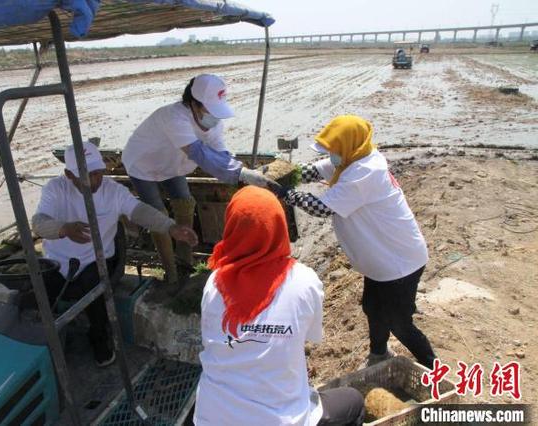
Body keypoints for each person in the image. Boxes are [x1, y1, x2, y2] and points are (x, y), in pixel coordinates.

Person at [194, 186, 365, 426]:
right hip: (280, 419)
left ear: (231, 228)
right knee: (353, 400)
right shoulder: (303, 280)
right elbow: (312, 336)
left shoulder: (214, 282)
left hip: (212, 417)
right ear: (278, 226)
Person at [280, 115, 436, 369]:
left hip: (400, 262)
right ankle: (378, 355)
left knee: (399, 322)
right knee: (372, 308)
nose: (331, 156)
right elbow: (315, 170)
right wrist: (288, 174)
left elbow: (321, 208)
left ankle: (434, 369)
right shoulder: (352, 158)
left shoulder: (365, 171)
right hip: (381, 261)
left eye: (333, 151)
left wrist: (286, 194)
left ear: (348, 146)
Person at [32, 141, 198, 367]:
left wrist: (171, 227)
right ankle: (47, 345)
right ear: (69, 175)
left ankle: (101, 341)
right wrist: (63, 229)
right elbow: (39, 223)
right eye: (87, 175)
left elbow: (139, 211)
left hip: (97, 260)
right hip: (56, 261)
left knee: (94, 293)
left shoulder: (113, 191)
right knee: (40, 294)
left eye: (98, 172)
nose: (95, 180)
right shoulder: (55, 189)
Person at [121, 74, 276, 291]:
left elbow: (220, 155)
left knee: (185, 204)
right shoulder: (173, 117)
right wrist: (240, 173)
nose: (214, 117)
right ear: (193, 103)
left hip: (172, 165)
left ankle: (184, 262)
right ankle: (171, 273)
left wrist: (246, 172)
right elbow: (198, 153)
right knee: (158, 215)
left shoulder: (214, 124)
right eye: (209, 110)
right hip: (144, 165)